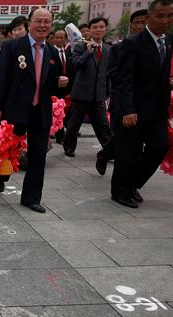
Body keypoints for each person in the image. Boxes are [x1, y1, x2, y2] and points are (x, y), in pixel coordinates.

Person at [0, 8, 69, 213]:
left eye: (47, 22)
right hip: (15, 109)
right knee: (7, 150)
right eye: (38, 21)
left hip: (40, 111)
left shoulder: (51, 51)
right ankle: (0, 176)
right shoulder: (12, 47)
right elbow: (1, 78)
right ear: (29, 23)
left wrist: (59, 82)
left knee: (38, 156)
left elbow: (52, 82)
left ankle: (31, 198)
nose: (43, 25)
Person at [112, 0, 173, 208]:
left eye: (170, 16)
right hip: (134, 109)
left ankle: (132, 184)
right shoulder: (133, 43)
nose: (166, 20)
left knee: (161, 146)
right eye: (161, 16)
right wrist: (128, 109)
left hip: (158, 109)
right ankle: (120, 192)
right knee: (127, 152)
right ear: (149, 17)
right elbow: (124, 79)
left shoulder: (169, 41)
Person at [63, 16, 114, 176]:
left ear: (105, 29)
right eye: (95, 27)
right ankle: (69, 146)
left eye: (101, 27)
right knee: (74, 123)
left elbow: (108, 74)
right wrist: (88, 52)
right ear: (90, 30)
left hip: (98, 95)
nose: (98, 30)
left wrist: (107, 93)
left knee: (103, 125)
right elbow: (75, 65)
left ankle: (109, 149)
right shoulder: (81, 46)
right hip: (82, 92)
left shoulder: (108, 49)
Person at [52, 29, 73, 144]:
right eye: (57, 37)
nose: (59, 40)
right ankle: (60, 135)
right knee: (57, 112)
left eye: (61, 38)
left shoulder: (69, 53)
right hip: (55, 88)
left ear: (66, 39)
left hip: (67, 88)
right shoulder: (50, 52)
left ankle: (63, 133)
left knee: (66, 112)